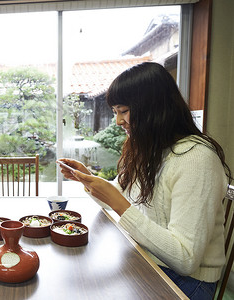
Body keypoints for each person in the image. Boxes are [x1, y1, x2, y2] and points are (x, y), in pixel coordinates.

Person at [58, 62, 232, 300]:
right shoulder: (151, 148)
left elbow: (185, 259)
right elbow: (117, 196)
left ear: (154, 108)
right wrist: (87, 178)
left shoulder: (196, 159)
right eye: (115, 112)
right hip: (148, 258)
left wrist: (119, 203)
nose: (118, 121)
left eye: (124, 110)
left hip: (188, 282)